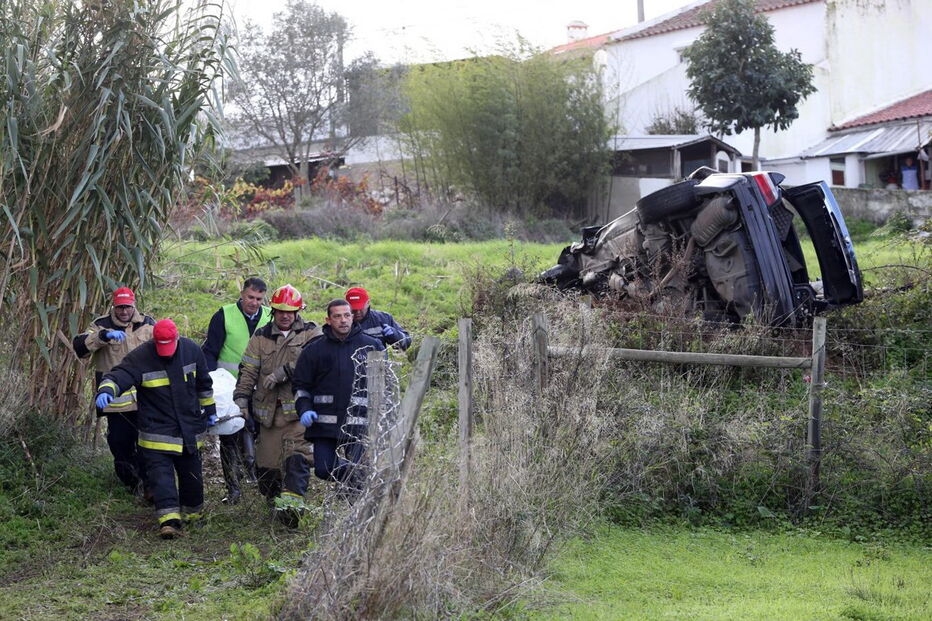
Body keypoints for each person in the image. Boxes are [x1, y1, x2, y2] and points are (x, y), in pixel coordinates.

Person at [96, 319, 215, 540]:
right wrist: (107, 389)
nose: (165, 353)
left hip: (188, 429)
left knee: (192, 478)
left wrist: (210, 411)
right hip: (156, 431)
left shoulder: (192, 351)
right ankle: (169, 522)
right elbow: (120, 374)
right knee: (162, 478)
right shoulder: (142, 356)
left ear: (177, 338)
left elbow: (204, 385)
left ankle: (193, 516)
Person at [232, 285, 322, 519]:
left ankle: (291, 514)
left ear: (297, 312)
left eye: (290, 311)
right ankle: (274, 502)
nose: (285, 316)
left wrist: (285, 372)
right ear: (272, 310)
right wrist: (241, 399)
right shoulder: (261, 336)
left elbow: (319, 360)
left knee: (296, 462)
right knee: (267, 470)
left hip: (298, 413)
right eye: (280, 311)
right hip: (269, 415)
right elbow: (248, 370)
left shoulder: (311, 332)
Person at [293, 299, 384, 492]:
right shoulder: (314, 350)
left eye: (347, 315)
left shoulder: (371, 346)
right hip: (324, 424)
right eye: (337, 316)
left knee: (360, 469)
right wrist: (304, 409)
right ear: (328, 319)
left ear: (353, 317)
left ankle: (356, 502)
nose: (343, 320)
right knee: (323, 469)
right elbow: (301, 386)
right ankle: (357, 481)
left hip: (359, 423)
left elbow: (385, 385)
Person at [73, 287, 155, 499]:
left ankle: (149, 487)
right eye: (120, 307)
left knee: (148, 443)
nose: (124, 311)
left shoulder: (148, 324)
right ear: (114, 306)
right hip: (116, 401)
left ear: (134, 304)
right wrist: (103, 336)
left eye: (127, 306)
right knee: (120, 444)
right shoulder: (101, 324)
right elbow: (80, 347)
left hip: (146, 399)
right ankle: (132, 482)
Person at [202, 277, 271, 504]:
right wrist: (213, 383)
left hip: (262, 388)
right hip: (230, 386)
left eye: (259, 299)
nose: (254, 303)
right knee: (230, 436)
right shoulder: (224, 315)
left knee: (260, 433)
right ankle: (233, 489)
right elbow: (210, 351)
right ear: (242, 294)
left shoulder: (270, 316)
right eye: (250, 297)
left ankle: (260, 479)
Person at [344, 287, 411, 350]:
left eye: (361, 308)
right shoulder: (340, 322)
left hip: (376, 360)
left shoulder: (383, 318)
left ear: (368, 303)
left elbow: (407, 342)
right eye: (354, 309)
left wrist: (395, 335)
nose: (358, 312)